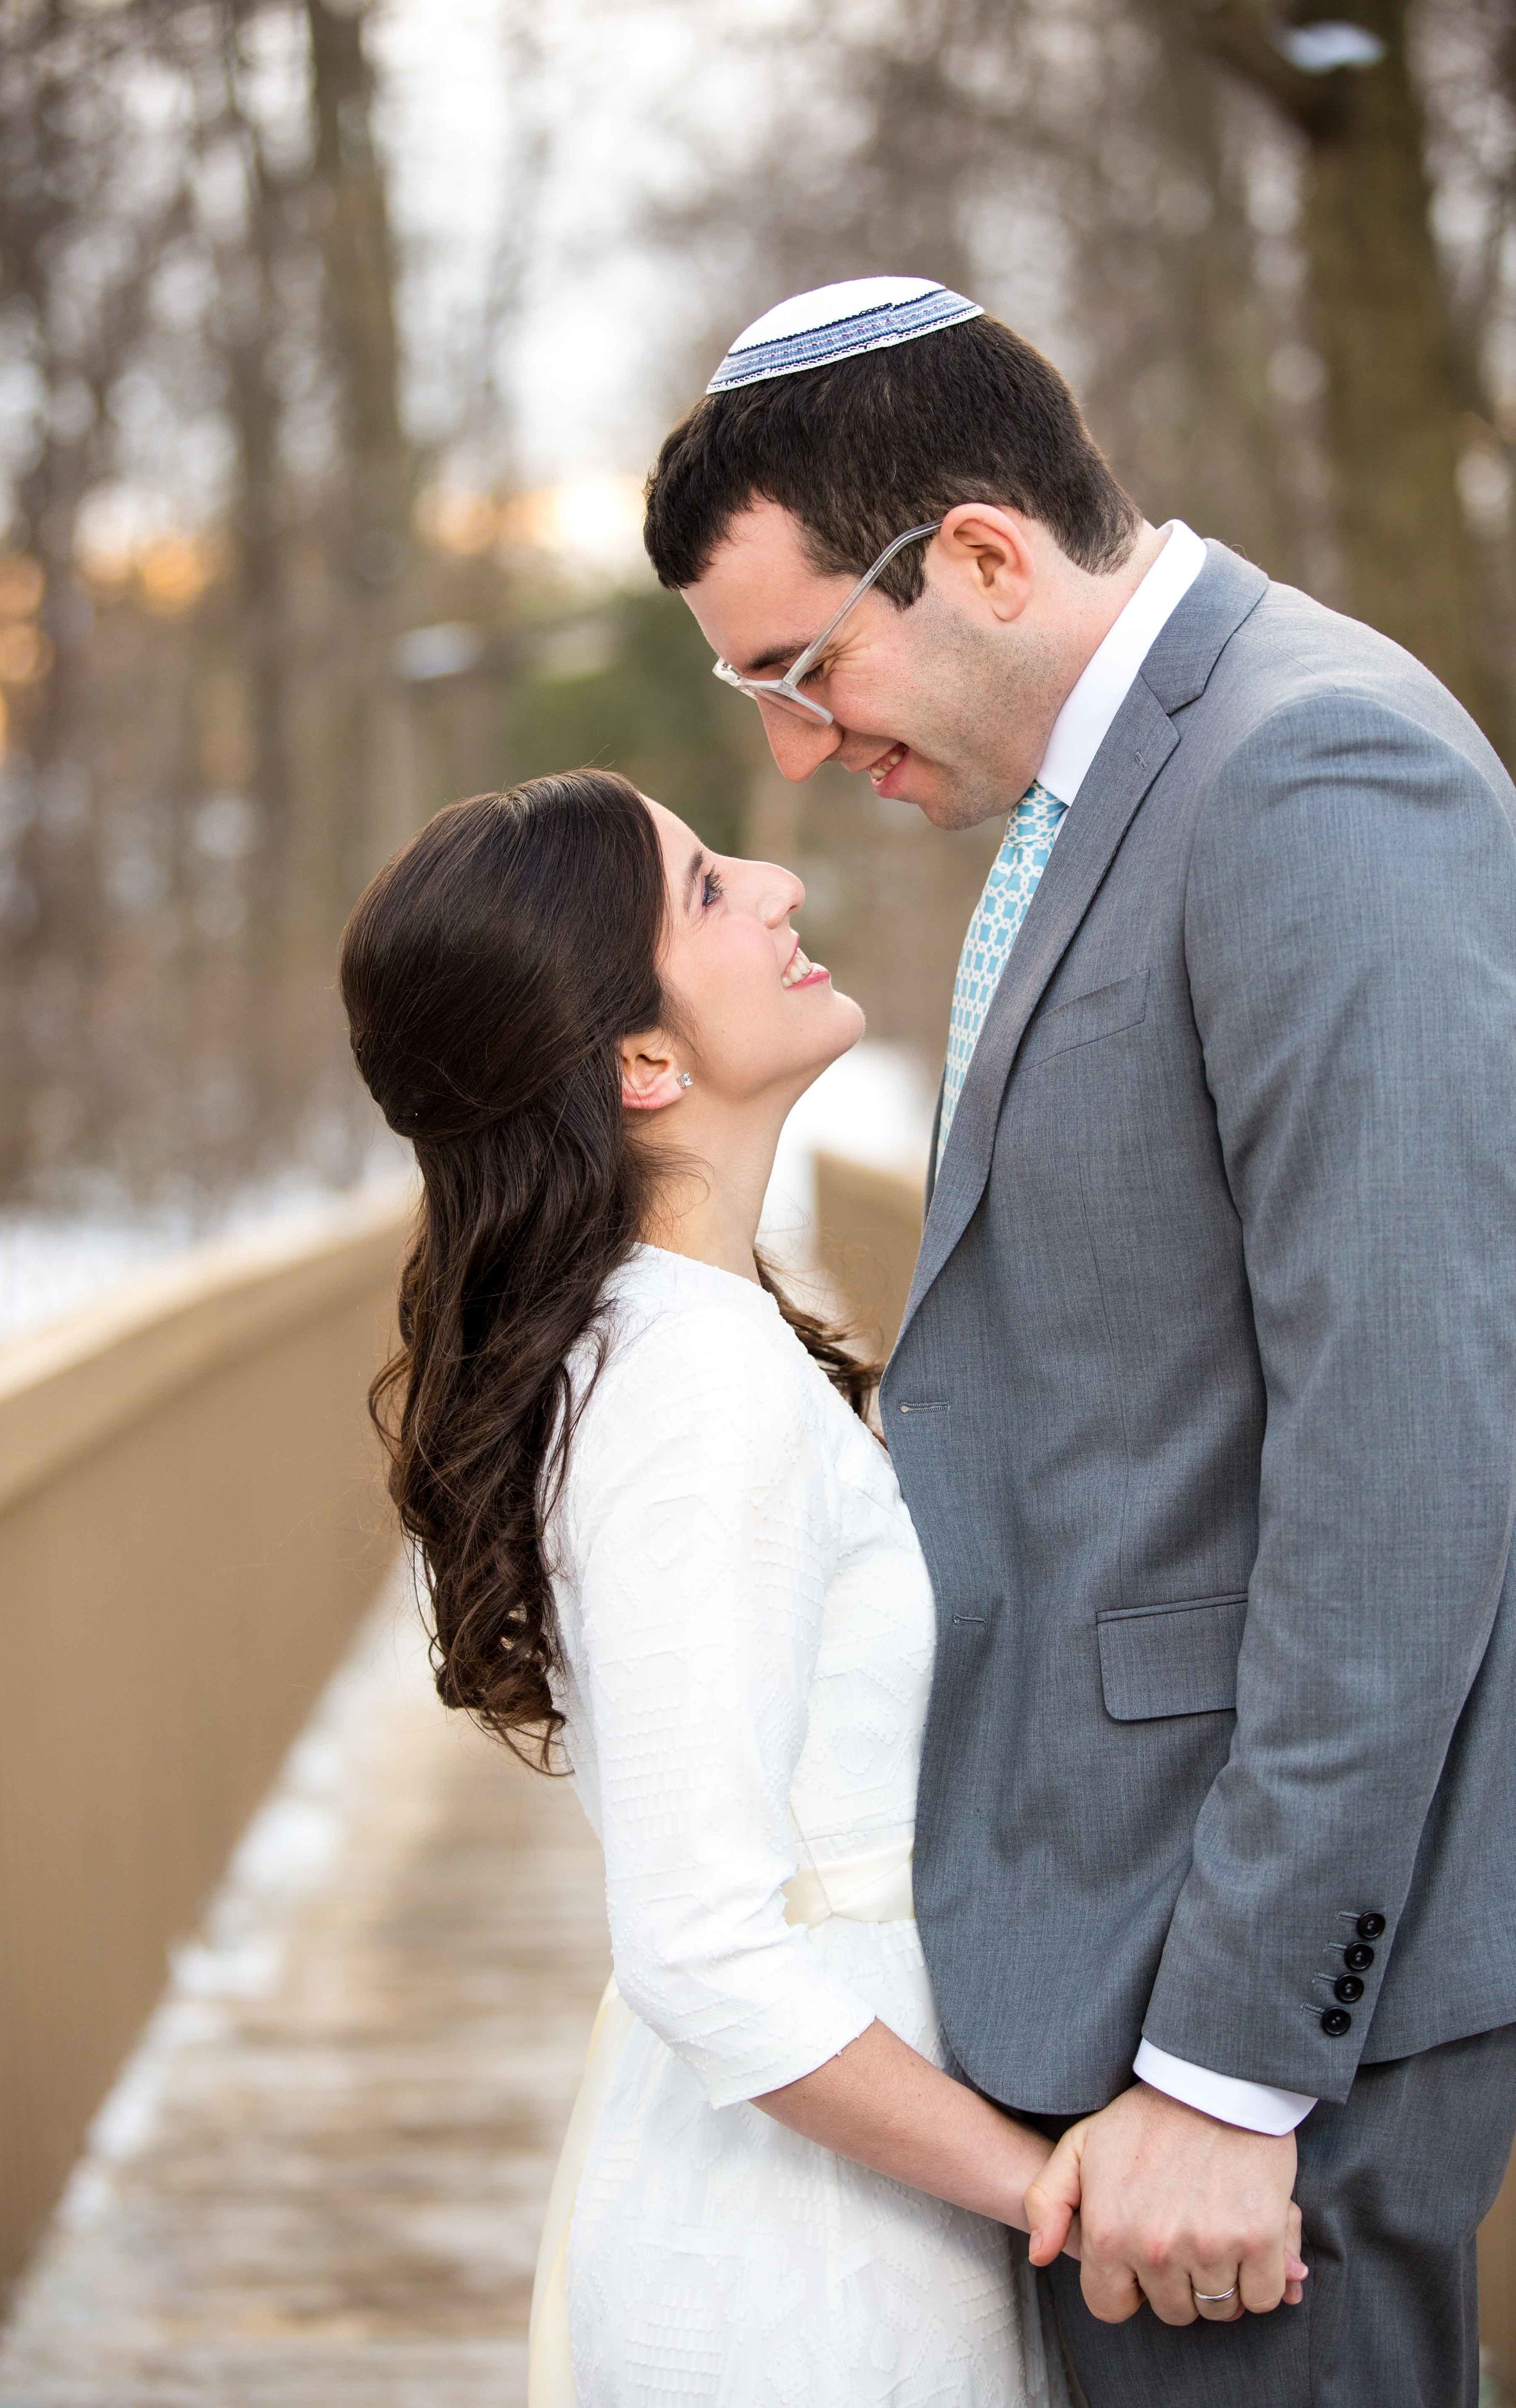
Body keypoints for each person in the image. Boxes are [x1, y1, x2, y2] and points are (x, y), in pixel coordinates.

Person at [641, 274, 1516, 2407]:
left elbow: (1405, 1462)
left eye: (801, 664)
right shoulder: (1114, 793)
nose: (793, 747)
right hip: (1100, 1971)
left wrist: (1230, 2067)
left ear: (981, 558)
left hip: (1253, 2037)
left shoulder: (1314, 771)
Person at [338, 769, 1101, 2407]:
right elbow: (697, 1946)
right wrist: (1044, 2192)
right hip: (815, 2267)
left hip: (831, 2199)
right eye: (700, 889)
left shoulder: (678, 1340)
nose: (775, 884)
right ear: (641, 1060)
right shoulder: (690, 1388)